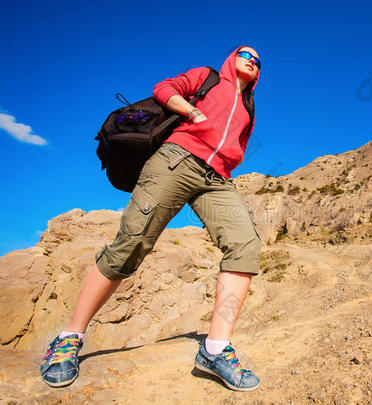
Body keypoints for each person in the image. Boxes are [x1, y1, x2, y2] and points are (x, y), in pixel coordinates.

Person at [40, 45, 263, 392]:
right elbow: (164, 88)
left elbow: (239, 146)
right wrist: (189, 110)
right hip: (177, 159)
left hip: (217, 179)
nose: (252, 60)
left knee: (245, 245)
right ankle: (69, 337)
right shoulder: (208, 77)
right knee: (131, 244)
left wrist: (224, 166)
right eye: (245, 54)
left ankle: (215, 349)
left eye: (258, 61)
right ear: (231, 58)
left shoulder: (249, 106)